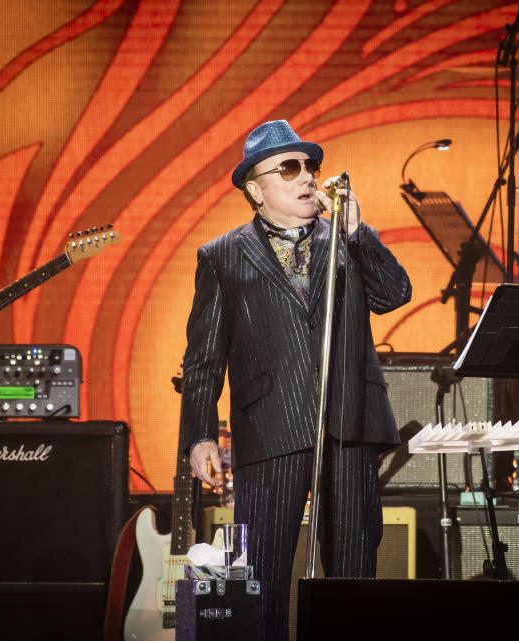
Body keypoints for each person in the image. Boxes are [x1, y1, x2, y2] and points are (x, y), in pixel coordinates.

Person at [179, 120, 411, 640]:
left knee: (352, 579)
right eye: (288, 168)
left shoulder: (345, 240)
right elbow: (204, 357)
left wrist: (358, 232)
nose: (306, 177)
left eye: (310, 166)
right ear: (256, 190)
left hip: (349, 424)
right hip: (270, 426)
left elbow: (395, 293)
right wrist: (198, 434)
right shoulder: (221, 257)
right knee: (262, 580)